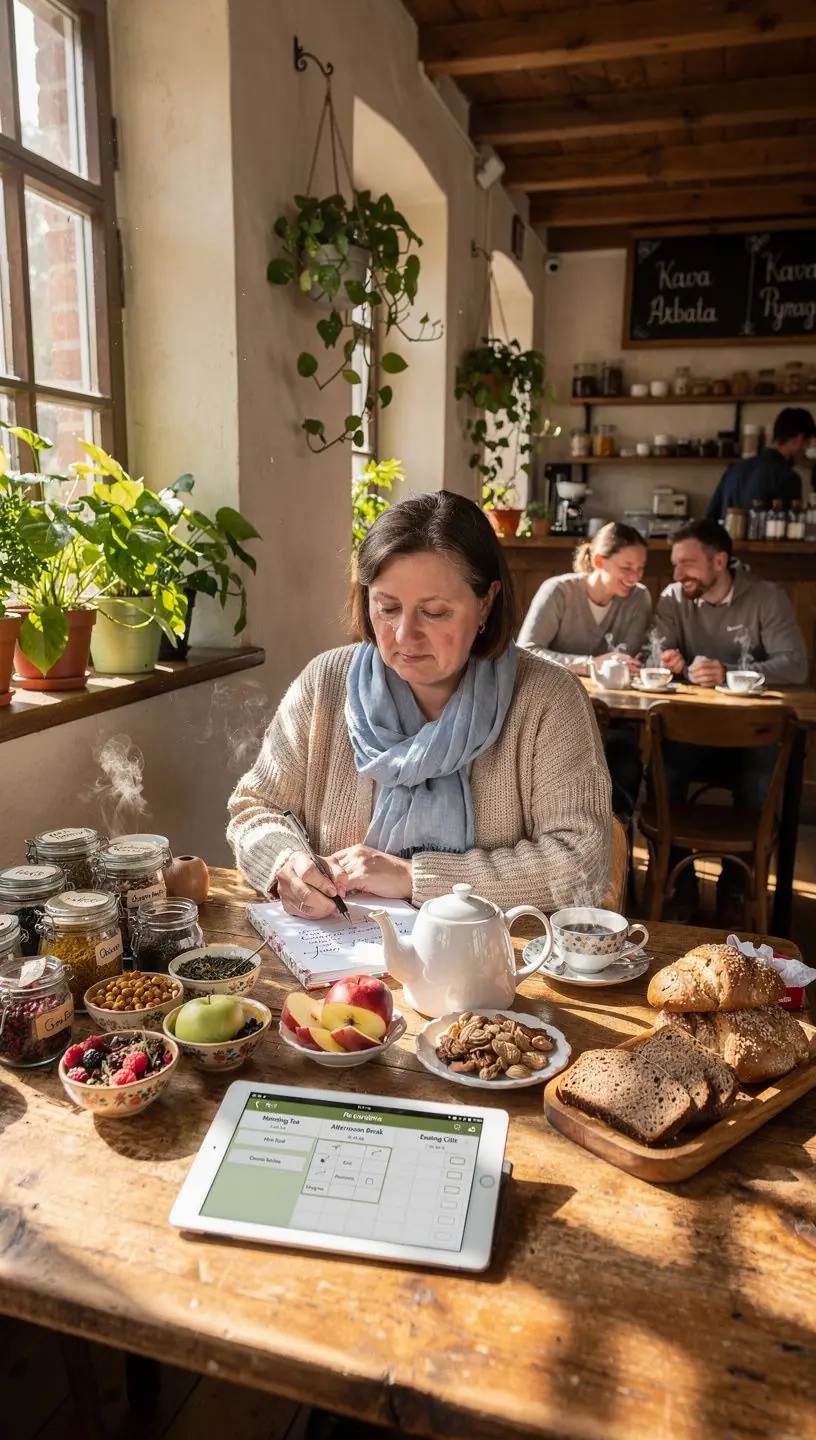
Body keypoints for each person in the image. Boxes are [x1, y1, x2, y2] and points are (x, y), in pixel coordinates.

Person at [227, 492, 611, 917]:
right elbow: (253, 810)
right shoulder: (325, 683)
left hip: (493, 966)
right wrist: (286, 862)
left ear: (486, 602)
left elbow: (581, 862)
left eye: (434, 612)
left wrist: (413, 876)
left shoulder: (548, 698)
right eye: (387, 607)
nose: (404, 636)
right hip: (334, 960)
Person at [654, 516, 807, 918]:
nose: (677, 573)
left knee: (761, 778)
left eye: (687, 563)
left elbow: (795, 665)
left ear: (719, 561)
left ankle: (737, 891)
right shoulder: (673, 597)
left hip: (751, 737)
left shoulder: (766, 598)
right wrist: (669, 662)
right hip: (687, 732)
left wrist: (731, 673)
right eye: (675, 564)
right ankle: (679, 887)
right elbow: (654, 651)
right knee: (661, 769)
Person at [517, 521, 652, 822]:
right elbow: (526, 652)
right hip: (554, 715)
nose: (636, 577)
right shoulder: (559, 592)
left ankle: (613, 846)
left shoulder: (638, 598)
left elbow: (626, 660)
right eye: (627, 567)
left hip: (613, 718)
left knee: (625, 762)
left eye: (641, 568)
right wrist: (591, 664)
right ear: (599, 561)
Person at [707, 407, 815, 522]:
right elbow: (789, 528)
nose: (805, 451)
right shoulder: (788, 477)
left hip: (725, 539)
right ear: (798, 439)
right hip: (764, 540)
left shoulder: (734, 469)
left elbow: (710, 519)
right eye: (807, 444)